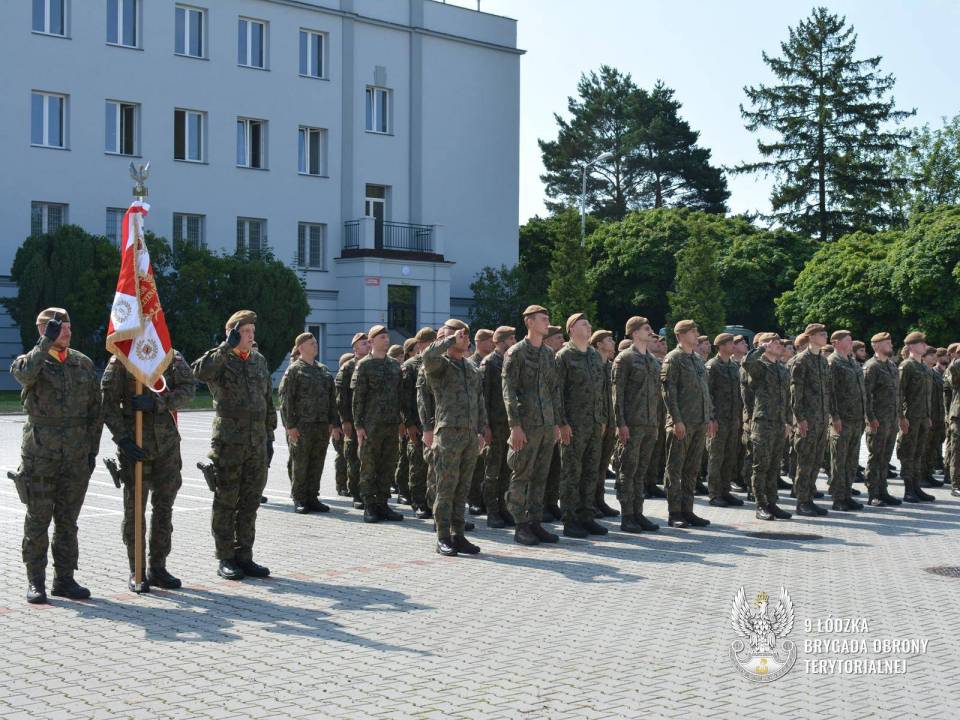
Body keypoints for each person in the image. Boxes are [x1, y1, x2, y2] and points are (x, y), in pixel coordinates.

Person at [11, 308, 103, 604]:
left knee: (67, 520)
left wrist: (91, 451)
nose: (67, 332)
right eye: (59, 327)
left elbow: (95, 412)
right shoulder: (31, 361)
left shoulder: (82, 363)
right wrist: (44, 344)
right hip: (41, 455)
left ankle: (64, 579)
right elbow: (24, 375)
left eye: (68, 327)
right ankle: (35, 581)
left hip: (75, 456)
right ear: (44, 329)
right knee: (38, 519)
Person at [102, 348, 195, 591]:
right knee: (135, 510)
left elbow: (188, 390)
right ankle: (137, 571)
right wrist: (122, 439)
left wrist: (157, 402)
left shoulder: (169, 356)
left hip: (167, 447)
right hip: (136, 446)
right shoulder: (122, 358)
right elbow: (107, 404)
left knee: (164, 509)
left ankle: (158, 568)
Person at [192, 310, 276, 580]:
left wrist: (270, 436)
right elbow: (199, 372)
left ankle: (245, 556)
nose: (251, 336)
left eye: (252, 331)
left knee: (250, 501)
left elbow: (267, 399)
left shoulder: (259, 361)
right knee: (226, 501)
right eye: (246, 331)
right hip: (229, 441)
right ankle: (225, 557)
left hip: (256, 441)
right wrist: (224, 347)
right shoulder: (221, 358)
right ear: (232, 334)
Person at [422, 321, 488, 556]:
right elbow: (427, 355)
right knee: (446, 487)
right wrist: (450, 339)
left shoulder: (471, 367)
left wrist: (481, 431)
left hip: (470, 434)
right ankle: (443, 536)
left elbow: (479, 400)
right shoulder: (441, 365)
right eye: (460, 335)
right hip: (448, 433)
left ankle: (458, 535)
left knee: (463, 488)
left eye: (466, 335)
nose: (464, 338)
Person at [502, 305, 562, 545]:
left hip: (546, 425)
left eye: (547, 319)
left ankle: (535, 522)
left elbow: (554, 390)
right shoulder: (516, 352)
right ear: (529, 322)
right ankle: (520, 525)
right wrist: (514, 426)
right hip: (526, 426)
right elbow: (508, 391)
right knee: (521, 474)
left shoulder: (548, 354)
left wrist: (556, 423)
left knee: (540, 476)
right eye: (543, 319)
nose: (547, 323)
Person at [555, 313, 610, 538]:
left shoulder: (595, 356)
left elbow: (602, 390)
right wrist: (562, 423)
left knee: (591, 471)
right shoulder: (564, 356)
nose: (589, 326)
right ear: (571, 329)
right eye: (583, 324)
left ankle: (587, 515)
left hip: (594, 424)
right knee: (571, 473)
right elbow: (557, 392)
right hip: (573, 425)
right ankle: (570, 519)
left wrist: (603, 418)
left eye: (589, 324)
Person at [661, 320, 716, 528]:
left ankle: (688, 510)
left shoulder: (697, 359)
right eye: (693, 331)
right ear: (681, 335)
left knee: (692, 470)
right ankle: (674, 512)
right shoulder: (673, 358)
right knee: (675, 469)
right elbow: (668, 392)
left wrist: (709, 417)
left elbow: (705, 391)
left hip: (699, 422)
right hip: (682, 422)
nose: (697, 334)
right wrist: (676, 420)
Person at [278, 332, 341, 514]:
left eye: (315, 342)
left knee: (317, 462)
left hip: (321, 425)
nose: (315, 345)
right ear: (301, 347)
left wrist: (333, 422)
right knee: (300, 463)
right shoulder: (294, 370)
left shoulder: (323, 370)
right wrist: (290, 426)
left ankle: (312, 497)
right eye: (311, 343)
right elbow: (286, 401)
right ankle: (299, 498)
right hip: (302, 426)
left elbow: (332, 399)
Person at [612, 316, 663, 533]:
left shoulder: (651, 360)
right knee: (627, 470)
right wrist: (620, 423)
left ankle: (638, 512)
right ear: (634, 333)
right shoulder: (625, 359)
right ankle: (627, 516)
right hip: (631, 424)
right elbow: (617, 394)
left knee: (641, 471)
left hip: (649, 423)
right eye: (646, 328)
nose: (650, 332)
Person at [351, 325, 404, 522]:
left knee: (387, 465)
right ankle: (369, 506)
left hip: (391, 424)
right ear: (371, 341)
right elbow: (358, 398)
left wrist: (402, 421)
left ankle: (382, 504)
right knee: (369, 466)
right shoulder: (364, 365)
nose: (386, 340)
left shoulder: (394, 365)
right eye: (382, 337)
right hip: (371, 425)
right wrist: (358, 426)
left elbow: (400, 395)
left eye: (387, 337)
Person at [741, 333, 793, 520]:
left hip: (779, 423)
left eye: (779, 342)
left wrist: (788, 422)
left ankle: (772, 502)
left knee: (774, 467)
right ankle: (760, 505)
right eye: (775, 343)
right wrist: (762, 348)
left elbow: (787, 398)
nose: (779, 345)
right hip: (763, 423)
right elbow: (746, 362)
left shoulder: (782, 369)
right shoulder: (759, 366)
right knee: (761, 466)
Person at [790, 323, 832, 516]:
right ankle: (801, 501)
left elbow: (828, 391)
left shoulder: (822, 361)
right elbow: (795, 393)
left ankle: (809, 498)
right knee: (805, 462)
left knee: (816, 462)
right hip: (807, 420)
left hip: (821, 420)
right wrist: (800, 418)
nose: (825, 337)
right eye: (822, 334)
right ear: (811, 337)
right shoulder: (801, 361)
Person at [481, 326, 517, 528]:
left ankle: (503, 507)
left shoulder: (510, 361)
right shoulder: (489, 363)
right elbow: (483, 397)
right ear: (501, 341)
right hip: (494, 425)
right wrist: (485, 425)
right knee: (492, 470)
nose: (514, 342)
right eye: (511, 338)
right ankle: (492, 511)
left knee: (506, 469)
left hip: (508, 425)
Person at [400, 327, 437, 518]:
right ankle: (419, 502)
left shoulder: (439, 362)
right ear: (421, 344)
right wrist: (409, 424)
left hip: (436, 422)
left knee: (435, 467)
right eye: (431, 342)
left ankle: (433, 502)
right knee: (418, 465)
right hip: (417, 423)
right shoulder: (410, 366)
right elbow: (405, 399)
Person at [827, 330, 866, 511]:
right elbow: (830, 392)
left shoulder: (852, 362)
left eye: (851, 340)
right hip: (842, 419)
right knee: (839, 461)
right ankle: (838, 498)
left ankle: (847, 494)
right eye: (847, 340)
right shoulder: (833, 362)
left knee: (851, 461)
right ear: (836, 343)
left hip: (856, 418)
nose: (851, 343)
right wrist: (834, 416)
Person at [863, 332, 903, 507]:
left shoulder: (892, 366)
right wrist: (870, 418)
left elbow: (897, 395)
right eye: (887, 343)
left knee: (885, 458)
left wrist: (900, 417)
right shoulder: (871, 366)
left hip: (891, 420)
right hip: (878, 420)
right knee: (876, 457)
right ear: (876, 346)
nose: (891, 345)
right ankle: (873, 493)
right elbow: (866, 395)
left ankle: (883, 490)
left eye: (890, 342)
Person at [705, 333, 744, 507]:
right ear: (721, 346)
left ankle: (725, 491)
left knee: (730, 457)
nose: (733, 346)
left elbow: (738, 395)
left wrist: (738, 417)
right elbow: (707, 394)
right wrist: (711, 418)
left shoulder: (734, 367)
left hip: (731, 419)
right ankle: (714, 494)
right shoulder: (712, 366)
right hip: (718, 420)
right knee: (716, 458)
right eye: (730, 343)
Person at [897, 332, 935, 503]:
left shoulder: (925, 368)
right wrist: (901, 417)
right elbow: (899, 394)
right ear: (911, 346)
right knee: (908, 452)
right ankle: (908, 489)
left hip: (922, 418)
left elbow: (927, 395)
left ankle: (916, 486)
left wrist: (928, 416)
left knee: (919, 453)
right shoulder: (907, 366)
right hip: (910, 417)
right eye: (921, 343)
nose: (924, 346)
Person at [336, 332, 370, 508]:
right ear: (355, 347)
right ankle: (357, 494)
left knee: (370, 460)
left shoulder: (372, 363)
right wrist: (345, 420)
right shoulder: (348, 367)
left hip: (372, 421)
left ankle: (371, 493)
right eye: (363, 343)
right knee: (354, 458)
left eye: (368, 342)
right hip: (353, 420)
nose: (368, 345)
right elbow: (341, 397)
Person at [591, 330, 618, 517]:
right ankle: (589, 502)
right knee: (592, 465)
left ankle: (599, 500)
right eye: (609, 340)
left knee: (602, 465)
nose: (613, 342)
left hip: (610, 421)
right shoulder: (592, 365)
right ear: (599, 344)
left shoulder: (610, 366)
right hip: (596, 422)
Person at [541, 325, 567, 522]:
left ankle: (551, 502)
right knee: (542, 466)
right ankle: (539, 505)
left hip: (555, 419)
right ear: (547, 340)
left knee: (555, 465)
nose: (562, 340)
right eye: (558, 337)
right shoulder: (544, 359)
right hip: (541, 421)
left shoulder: (556, 360)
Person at [332, 353, 354, 497]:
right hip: (340, 425)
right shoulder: (339, 384)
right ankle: (341, 485)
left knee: (352, 456)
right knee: (342, 456)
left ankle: (352, 484)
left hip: (353, 423)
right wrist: (335, 426)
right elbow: (334, 407)